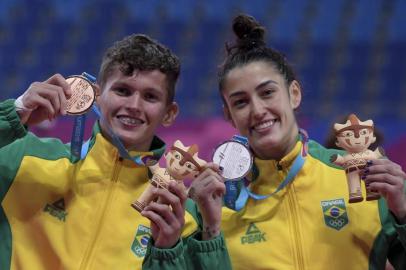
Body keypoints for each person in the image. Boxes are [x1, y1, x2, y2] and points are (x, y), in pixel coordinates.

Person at [187, 14, 406, 269]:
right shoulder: (216, 199)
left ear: (294, 94)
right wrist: (210, 231)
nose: (257, 110)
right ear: (229, 116)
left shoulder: (363, 175)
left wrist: (402, 212)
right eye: (241, 102)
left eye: (267, 93)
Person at [0, 34, 230, 270]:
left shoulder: (179, 210)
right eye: (122, 90)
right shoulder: (24, 157)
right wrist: (13, 114)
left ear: (169, 113)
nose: (134, 105)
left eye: (150, 96)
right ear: (98, 96)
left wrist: (165, 252)